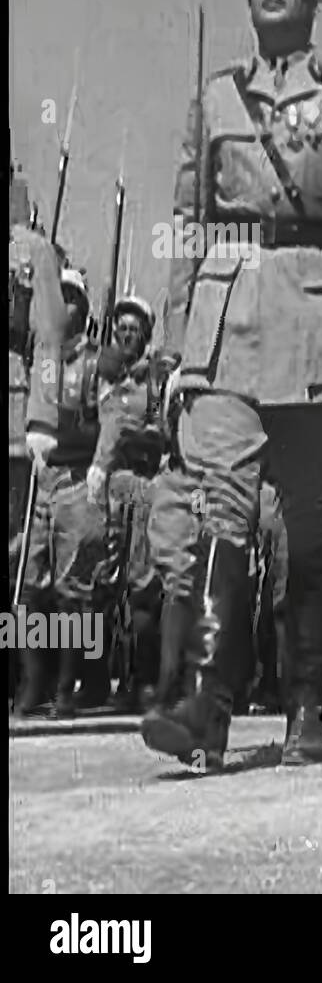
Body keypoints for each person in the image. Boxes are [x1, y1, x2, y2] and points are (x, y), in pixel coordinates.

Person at [142, 0, 322, 772]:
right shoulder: (213, 98)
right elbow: (187, 223)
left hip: (321, 312)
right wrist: (182, 341)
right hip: (227, 315)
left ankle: (304, 703)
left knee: (305, 523)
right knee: (219, 502)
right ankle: (207, 705)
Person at [16, 269, 104, 718]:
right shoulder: (37, 358)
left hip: (77, 475)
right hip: (37, 477)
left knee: (74, 589)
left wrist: (69, 425)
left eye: (68, 299)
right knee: (26, 585)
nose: (60, 306)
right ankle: (33, 680)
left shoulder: (96, 362)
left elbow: (110, 428)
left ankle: (69, 683)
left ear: (83, 309)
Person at [87, 294, 167, 712]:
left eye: (135, 330)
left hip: (139, 485)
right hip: (99, 488)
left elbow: (162, 431)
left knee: (142, 588)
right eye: (122, 329)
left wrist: (133, 438)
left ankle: (139, 680)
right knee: (97, 585)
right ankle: (93, 678)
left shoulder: (153, 380)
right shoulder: (95, 374)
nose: (127, 336)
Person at [8, 163, 67, 709]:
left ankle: (30, 680)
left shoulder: (32, 252)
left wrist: (42, 420)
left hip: (13, 418)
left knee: (21, 562)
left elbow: (48, 340)